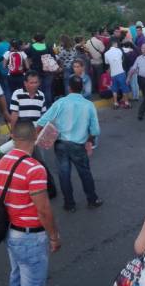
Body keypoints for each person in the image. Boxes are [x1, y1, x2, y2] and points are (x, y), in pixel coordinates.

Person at [0, 121, 61, 286]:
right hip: (30, 237)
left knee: (16, 276)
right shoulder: (35, 169)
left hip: (11, 232)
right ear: (35, 136)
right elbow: (43, 210)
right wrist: (54, 237)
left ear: (13, 137)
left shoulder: (2, 162)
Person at [36, 76, 102, 212]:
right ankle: (92, 200)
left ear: (69, 88)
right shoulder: (89, 105)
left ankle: (69, 204)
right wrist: (89, 142)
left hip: (61, 144)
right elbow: (95, 130)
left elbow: (42, 122)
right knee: (85, 173)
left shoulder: (60, 102)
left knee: (64, 174)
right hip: (78, 145)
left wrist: (35, 138)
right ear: (82, 88)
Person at [104, 37, 131, 109]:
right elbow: (123, 58)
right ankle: (126, 103)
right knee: (124, 88)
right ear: (115, 43)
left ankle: (115, 103)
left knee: (114, 89)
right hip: (121, 72)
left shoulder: (106, 54)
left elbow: (107, 63)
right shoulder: (119, 50)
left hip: (113, 74)